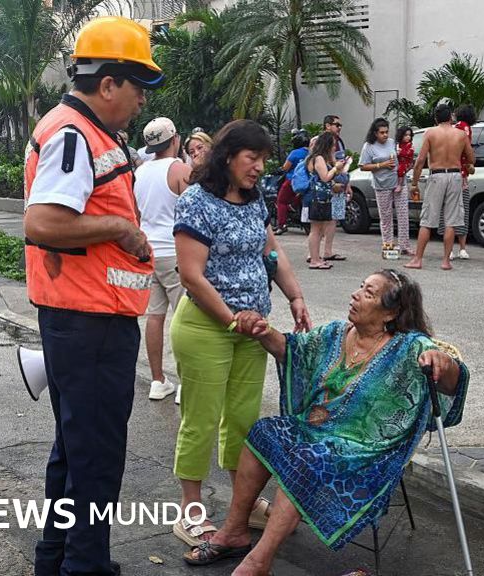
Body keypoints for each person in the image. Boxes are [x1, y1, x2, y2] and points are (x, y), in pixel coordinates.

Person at [181, 270, 467, 574]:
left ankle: (258, 561)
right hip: (317, 429)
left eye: (368, 293)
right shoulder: (335, 334)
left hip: (365, 449)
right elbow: (292, 350)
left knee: (306, 461)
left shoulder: (410, 347)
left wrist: (444, 363)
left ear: (391, 313)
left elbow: (452, 382)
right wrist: (263, 331)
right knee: (264, 432)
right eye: (360, 286)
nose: (355, 295)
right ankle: (234, 532)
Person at [21, 16, 165, 575]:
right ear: (108, 83)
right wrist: (120, 232)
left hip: (85, 319)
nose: (139, 102)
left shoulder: (86, 132)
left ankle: (57, 559)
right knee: (97, 458)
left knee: (76, 453)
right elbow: (42, 224)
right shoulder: (74, 136)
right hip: (88, 323)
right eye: (137, 88)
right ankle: (86, 565)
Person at [170, 119, 311, 547]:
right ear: (228, 156)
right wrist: (233, 319)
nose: (259, 167)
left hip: (253, 329)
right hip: (206, 327)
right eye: (253, 158)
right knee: (202, 419)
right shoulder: (196, 201)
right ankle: (190, 511)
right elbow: (192, 276)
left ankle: (243, 505)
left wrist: (295, 296)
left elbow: (271, 250)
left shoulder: (254, 199)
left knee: (245, 422)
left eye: (264, 159)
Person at [134, 117, 192, 403]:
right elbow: (194, 213)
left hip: (147, 252)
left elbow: (135, 212)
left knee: (154, 317)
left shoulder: (139, 172)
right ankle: (186, 383)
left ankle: (158, 380)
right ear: (175, 139)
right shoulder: (180, 169)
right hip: (175, 252)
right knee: (184, 320)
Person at [404, 103, 471, 270]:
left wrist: (414, 183)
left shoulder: (430, 133)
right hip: (455, 175)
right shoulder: (461, 134)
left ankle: (418, 259)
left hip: (437, 174)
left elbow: (419, 161)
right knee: (451, 220)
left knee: (427, 220)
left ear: (435, 118)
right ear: (451, 118)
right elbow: (471, 158)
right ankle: (446, 261)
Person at [359, 118, 401, 255]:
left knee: (402, 214)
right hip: (381, 184)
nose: (385, 135)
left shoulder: (391, 143)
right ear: (375, 133)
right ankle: (387, 244)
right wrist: (381, 165)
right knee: (386, 216)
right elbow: (363, 166)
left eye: (387, 132)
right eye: (382, 132)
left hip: (396, 182)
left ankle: (404, 245)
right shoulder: (369, 146)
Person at [305, 132, 346, 270]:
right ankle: (314, 259)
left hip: (322, 197)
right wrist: (335, 168)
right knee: (316, 229)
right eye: (333, 145)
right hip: (319, 198)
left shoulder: (318, 158)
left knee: (320, 229)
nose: (334, 147)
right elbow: (325, 177)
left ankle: (317, 257)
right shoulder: (319, 159)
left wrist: (335, 163)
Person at [311, 115, 349, 261]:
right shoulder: (318, 144)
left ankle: (327, 251)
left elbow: (337, 164)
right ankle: (314, 255)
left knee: (332, 219)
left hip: (334, 187)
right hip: (321, 191)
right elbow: (319, 171)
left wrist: (346, 184)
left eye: (340, 125)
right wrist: (334, 171)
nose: (339, 128)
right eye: (336, 124)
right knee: (317, 227)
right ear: (327, 125)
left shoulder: (338, 142)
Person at [445, 104, 478, 260]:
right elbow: (466, 150)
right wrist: (470, 163)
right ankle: (462, 248)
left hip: (448, 173)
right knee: (462, 210)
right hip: (461, 174)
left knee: (449, 212)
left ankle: (449, 249)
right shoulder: (465, 128)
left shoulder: (451, 127)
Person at [273, 129, 309, 235]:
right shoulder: (311, 153)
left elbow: (285, 168)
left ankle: (282, 225)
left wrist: (279, 170)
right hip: (307, 182)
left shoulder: (294, 153)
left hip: (293, 181)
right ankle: (293, 205)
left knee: (281, 201)